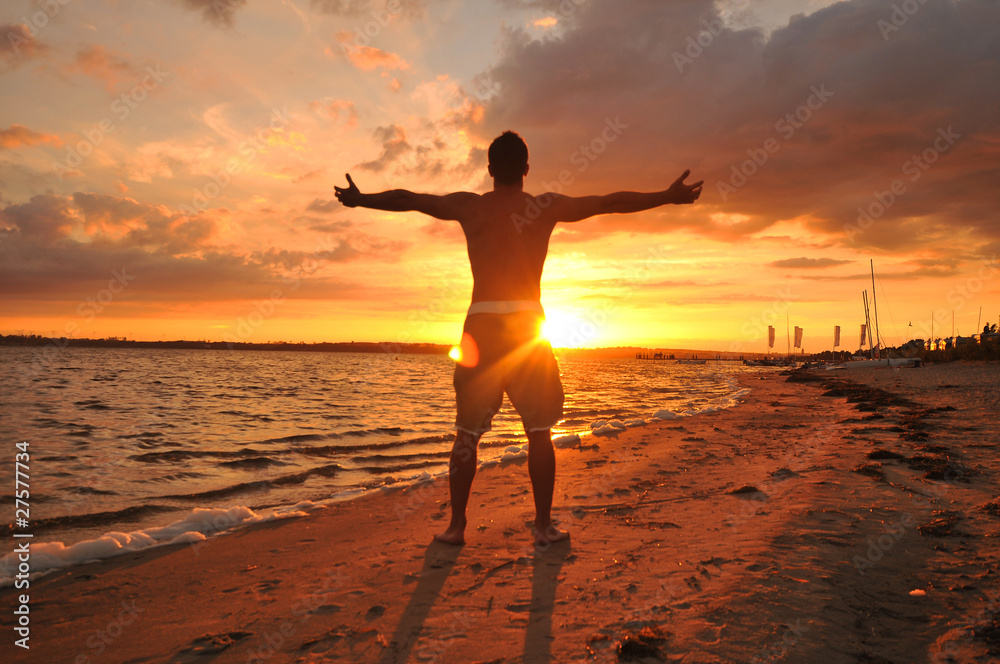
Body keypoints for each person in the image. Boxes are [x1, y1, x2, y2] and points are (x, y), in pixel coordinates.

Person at [335, 131, 702, 547]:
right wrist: (666, 196)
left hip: (483, 325)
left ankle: (456, 528)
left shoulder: (468, 206)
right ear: (527, 169)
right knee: (539, 432)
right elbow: (608, 203)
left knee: (467, 434)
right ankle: (543, 527)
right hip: (528, 326)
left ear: (489, 170)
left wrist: (360, 199)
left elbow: (409, 198)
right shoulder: (543, 207)